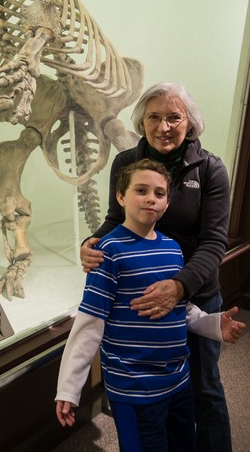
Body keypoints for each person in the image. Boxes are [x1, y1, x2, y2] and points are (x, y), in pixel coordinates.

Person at [80, 82, 233, 451]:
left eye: (174, 117)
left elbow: (214, 242)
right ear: (141, 121)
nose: (163, 126)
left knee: (203, 388)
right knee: (152, 392)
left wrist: (178, 288)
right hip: (139, 296)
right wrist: (91, 243)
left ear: (191, 123)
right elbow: (116, 218)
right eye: (153, 117)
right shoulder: (125, 162)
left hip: (193, 295)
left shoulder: (211, 169)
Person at [56, 160, 245, 452]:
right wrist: (69, 387)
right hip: (135, 387)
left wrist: (212, 324)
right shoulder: (108, 252)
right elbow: (89, 324)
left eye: (159, 193)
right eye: (141, 190)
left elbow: (180, 308)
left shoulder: (172, 249)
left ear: (168, 203)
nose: (150, 199)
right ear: (120, 197)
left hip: (177, 381)